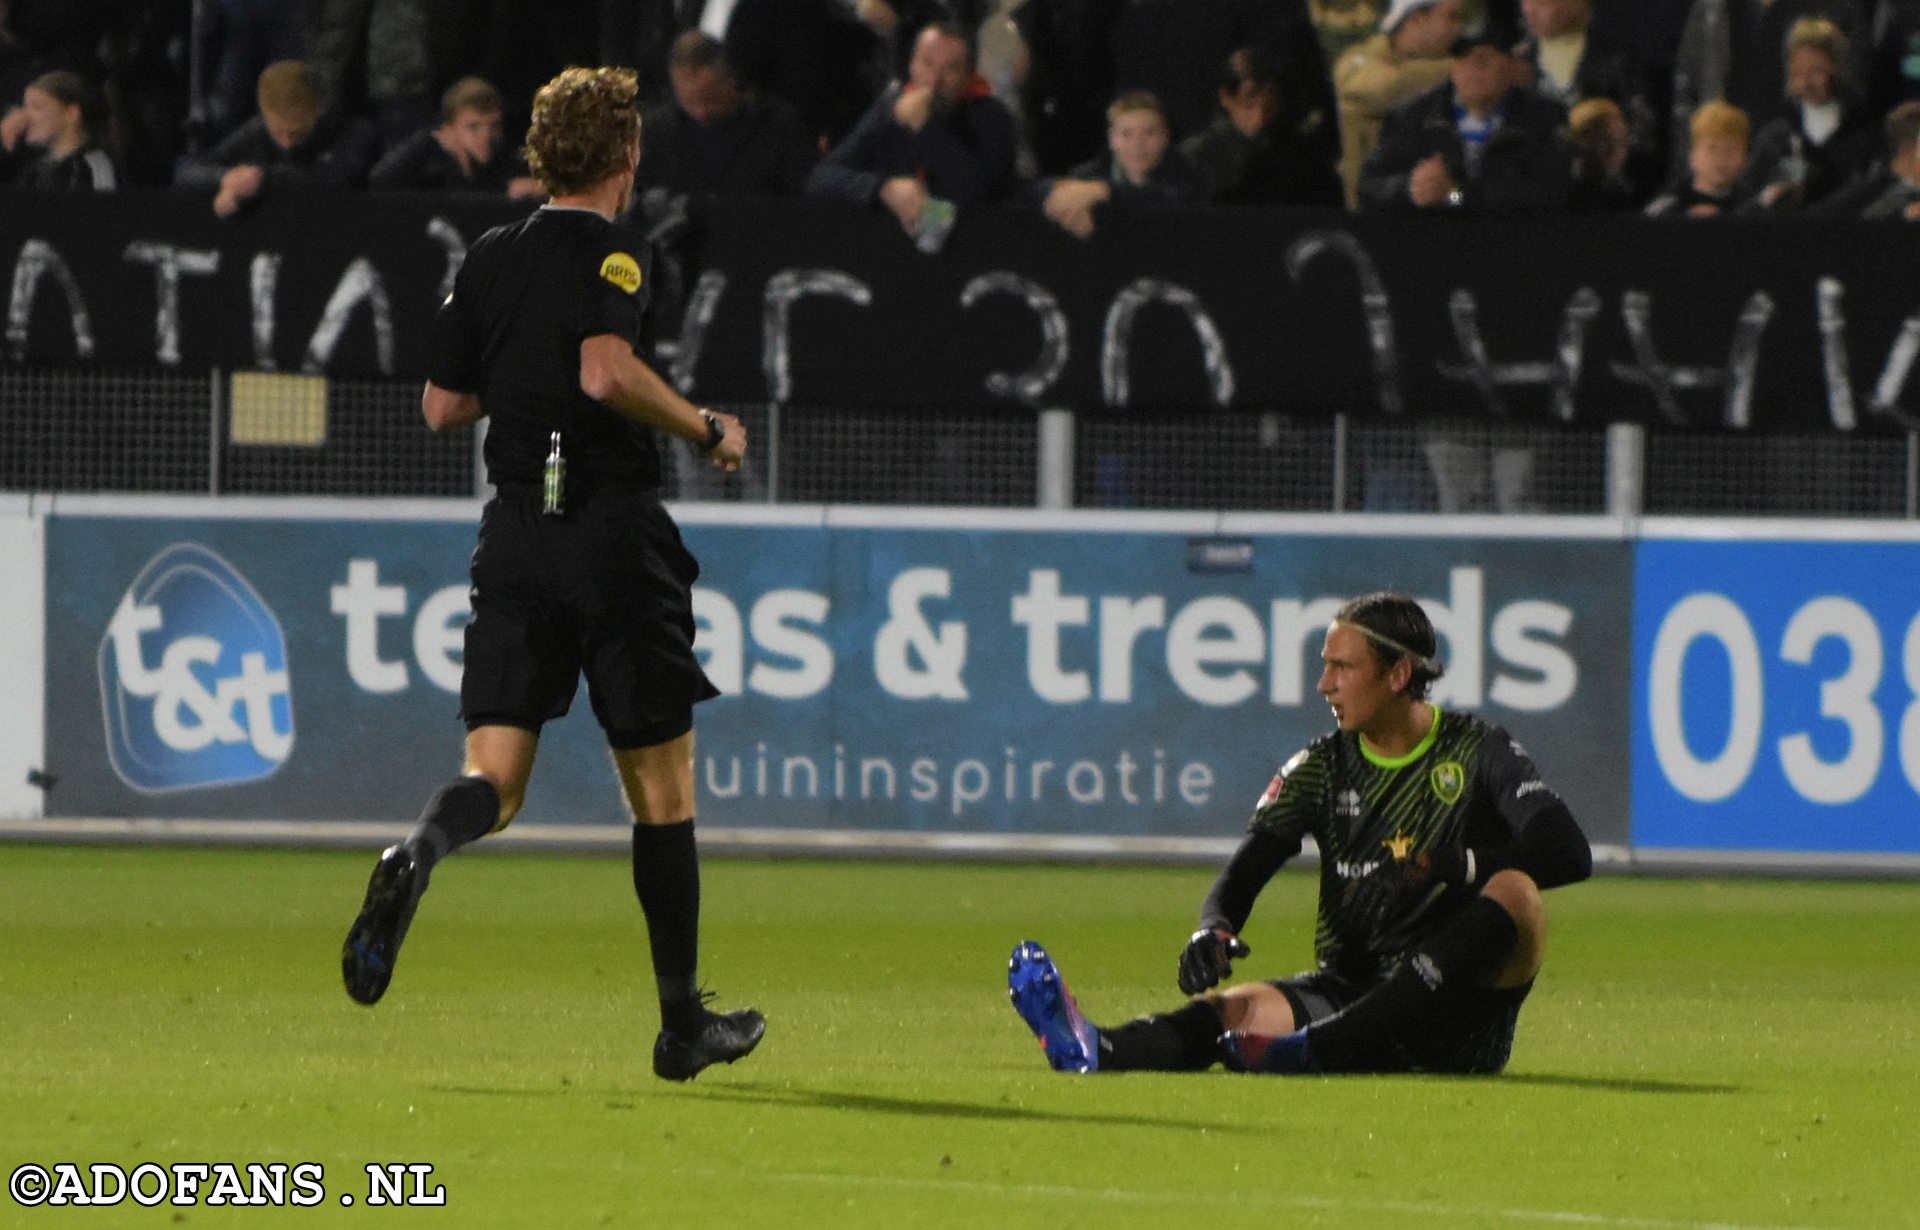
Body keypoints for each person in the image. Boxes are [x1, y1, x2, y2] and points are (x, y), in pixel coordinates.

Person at [339, 65, 766, 1085]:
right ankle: (679, 1026)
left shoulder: (488, 255)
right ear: (627, 157)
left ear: (538, 156)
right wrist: (707, 429)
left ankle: (417, 856)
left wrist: (520, 375)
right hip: (613, 537)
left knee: (498, 779)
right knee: (661, 795)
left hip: (517, 534)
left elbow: (443, 405)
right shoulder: (620, 252)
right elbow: (605, 372)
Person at [1007, 592, 1592, 1077]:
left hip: (1455, 1017)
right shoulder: (1320, 766)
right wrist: (1214, 927)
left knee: (1518, 890)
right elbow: (1249, 865)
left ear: (1398, 674)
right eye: (1325, 664)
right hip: (1351, 991)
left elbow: (1568, 852)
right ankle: (1095, 1048)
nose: (1323, 684)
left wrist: (1453, 865)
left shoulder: (1477, 750)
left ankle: (1323, 1048)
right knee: (1231, 1011)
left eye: (1342, 667)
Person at [806, 21, 1018, 240]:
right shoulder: (888, 110)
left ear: (968, 76)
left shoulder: (991, 117)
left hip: (975, 245)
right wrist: (882, 188)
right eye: (926, 63)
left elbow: (978, 194)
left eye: (951, 69)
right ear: (911, 64)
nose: (934, 81)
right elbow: (820, 179)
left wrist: (925, 128)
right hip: (895, 249)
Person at [1356, 18, 1572, 214]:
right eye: (1462, 57)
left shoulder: (1547, 118)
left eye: (1483, 58)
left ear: (1513, 64)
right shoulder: (1414, 117)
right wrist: (1411, 189)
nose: (1472, 68)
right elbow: (1370, 187)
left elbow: (1552, 192)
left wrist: (1454, 195)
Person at [174, 59, 377, 218]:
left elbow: (326, 185)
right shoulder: (257, 132)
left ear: (319, 109)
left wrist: (259, 180)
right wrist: (228, 179)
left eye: (297, 132)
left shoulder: (356, 131)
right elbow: (188, 174)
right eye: (277, 132)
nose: (287, 143)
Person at [636, 29, 818, 199]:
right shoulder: (654, 132)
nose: (702, 113)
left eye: (710, 99)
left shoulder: (779, 125)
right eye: (689, 102)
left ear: (732, 81)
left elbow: (807, 193)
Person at [1734, 16, 1878, 214]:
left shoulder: (1864, 132)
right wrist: (1768, 198)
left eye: (1816, 71)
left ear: (1837, 67)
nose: (1806, 84)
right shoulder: (1776, 138)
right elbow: (1743, 209)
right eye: (1797, 74)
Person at [1333, 0, 1463, 207]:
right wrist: (1457, 69)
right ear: (1417, 19)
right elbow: (1383, 89)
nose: (1459, 27)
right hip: (1360, 209)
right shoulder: (1357, 61)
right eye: (1451, 17)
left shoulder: (1456, 87)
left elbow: (1462, 194)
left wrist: (1452, 194)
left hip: (1440, 206)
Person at [1180, 43, 1344, 207]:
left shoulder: (1296, 152)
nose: (1261, 112)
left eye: (1270, 101)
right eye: (1250, 99)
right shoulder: (1197, 156)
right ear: (1226, 98)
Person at [1035, 90, 1201, 238]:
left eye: (1149, 133)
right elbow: (1037, 190)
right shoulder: (1090, 173)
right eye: (1126, 134)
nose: (1137, 144)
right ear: (1112, 139)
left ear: (1165, 136)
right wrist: (1067, 198)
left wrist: (1103, 191)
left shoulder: (1190, 173)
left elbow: (1168, 202)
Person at [368, 76, 541, 196]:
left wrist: (538, 187)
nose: (486, 135)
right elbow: (380, 180)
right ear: (450, 129)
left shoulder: (508, 161)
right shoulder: (430, 168)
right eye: (473, 127)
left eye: (494, 126)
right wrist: (427, 141)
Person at [0, 68, 115, 189]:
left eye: (37, 107)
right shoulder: (32, 170)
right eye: (26, 107)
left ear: (71, 114)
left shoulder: (93, 167)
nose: (25, 116)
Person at [1645, 99, 1748, 216]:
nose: (1721, 158)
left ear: (1744, 157)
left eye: (1730, 150)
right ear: (1693, 155)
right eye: (1712, 149)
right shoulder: (1668, 204)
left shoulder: (1751, 205)